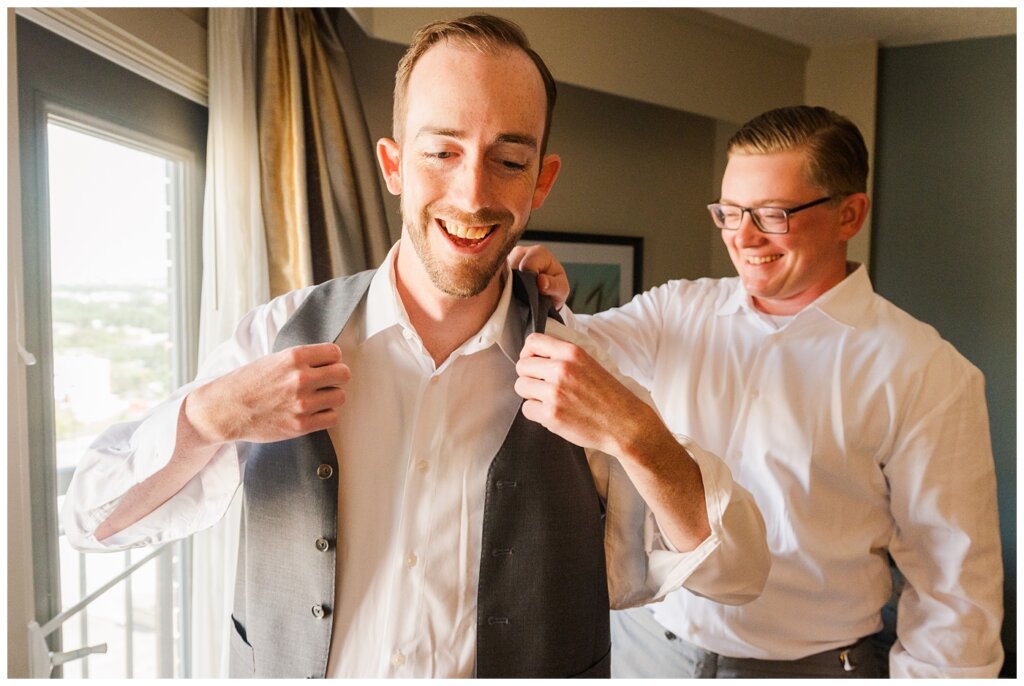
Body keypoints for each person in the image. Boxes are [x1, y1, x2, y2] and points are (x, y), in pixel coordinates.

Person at [61, 15, 769, 679]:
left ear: (541, 181)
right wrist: (208, 419)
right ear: (394, 165)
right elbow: (92, 521)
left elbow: (739, 574)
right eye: (441, 152)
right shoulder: (271, 339)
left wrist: (636, 434)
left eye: (508, 160)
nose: (471, 194)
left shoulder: (588, 375)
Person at [515, 105, 1004, 677]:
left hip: (805, 667)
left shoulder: (925, 371)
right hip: (643, 652)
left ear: (849, 214)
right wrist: (540, 293)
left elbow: (955, 591)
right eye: (729, 212)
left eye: (771, 215)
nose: (742, 237)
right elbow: (579, 352)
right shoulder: (679, 308)